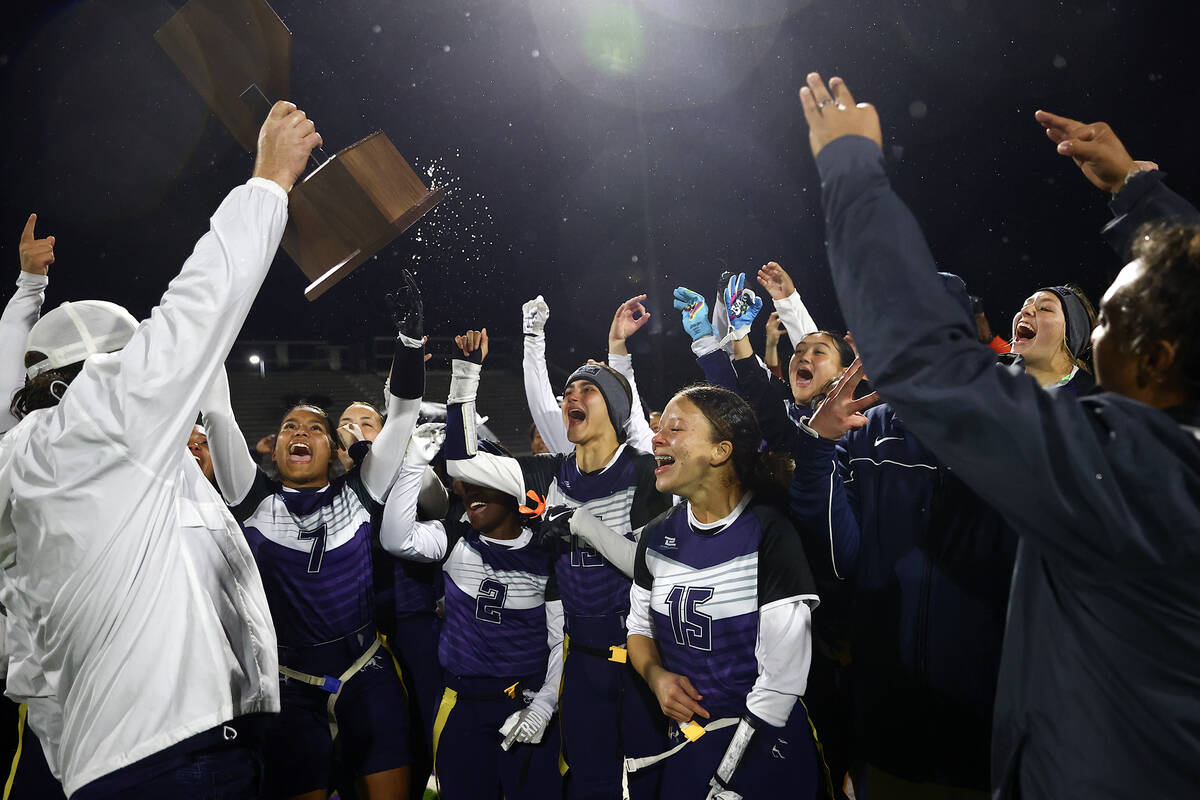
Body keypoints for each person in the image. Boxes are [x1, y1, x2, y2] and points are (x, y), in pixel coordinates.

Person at [800, 71, 1200, 798]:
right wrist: (1142, 196)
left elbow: (927, 361)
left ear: (1158, 359)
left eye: (1106, 318)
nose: (1094, 333)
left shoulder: (1129, 479)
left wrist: (851, 176)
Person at [0, 99, 319, 798]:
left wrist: (27, 295)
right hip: (174, 758)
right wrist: (267, 182)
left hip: (105, 757)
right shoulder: (105, 424)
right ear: (99, 374)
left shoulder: (27, 461)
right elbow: (195, 312)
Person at [201, 277, 425, 800]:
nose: (300, 432)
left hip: (366, 674)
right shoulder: (252, 497)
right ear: (273, 449)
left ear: (335, 447)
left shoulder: (362, 492)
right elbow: (215, 411)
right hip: (289, 687)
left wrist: (411, 342)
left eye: (315, 428)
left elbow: (405, 413)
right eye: (288, 427)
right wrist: (213, 314)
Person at [445, 327, 670, 800]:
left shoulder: (648, 474)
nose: (572, 395)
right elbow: (463, 462)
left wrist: (584, 525)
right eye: (567, 390)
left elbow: (655, 570)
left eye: (587, 389)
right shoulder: (550, 474)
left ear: (614, 409)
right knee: (589, 787)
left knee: (655, 785)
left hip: (645, 662)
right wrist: (465, 377)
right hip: (583, 664)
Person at [623, 384, 823, 800]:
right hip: (690, 742)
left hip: (769, 746)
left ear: (720, 451)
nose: (656, 435)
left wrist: (730, 781)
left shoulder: (770, 533)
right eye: (659, 427)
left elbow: (781, 683)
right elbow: (639, 628)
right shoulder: (657, 537)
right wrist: (656, 677)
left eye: (675, 428)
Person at [380, 424, 564, 799]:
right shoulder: (454, 539)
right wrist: (414, 460)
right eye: (465, 481)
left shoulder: (548, 554)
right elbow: (395, 538)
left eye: (482, 477)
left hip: (526, 701)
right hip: (460, 706)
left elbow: (561, 641)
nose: (471, 490)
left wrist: (544, 705)